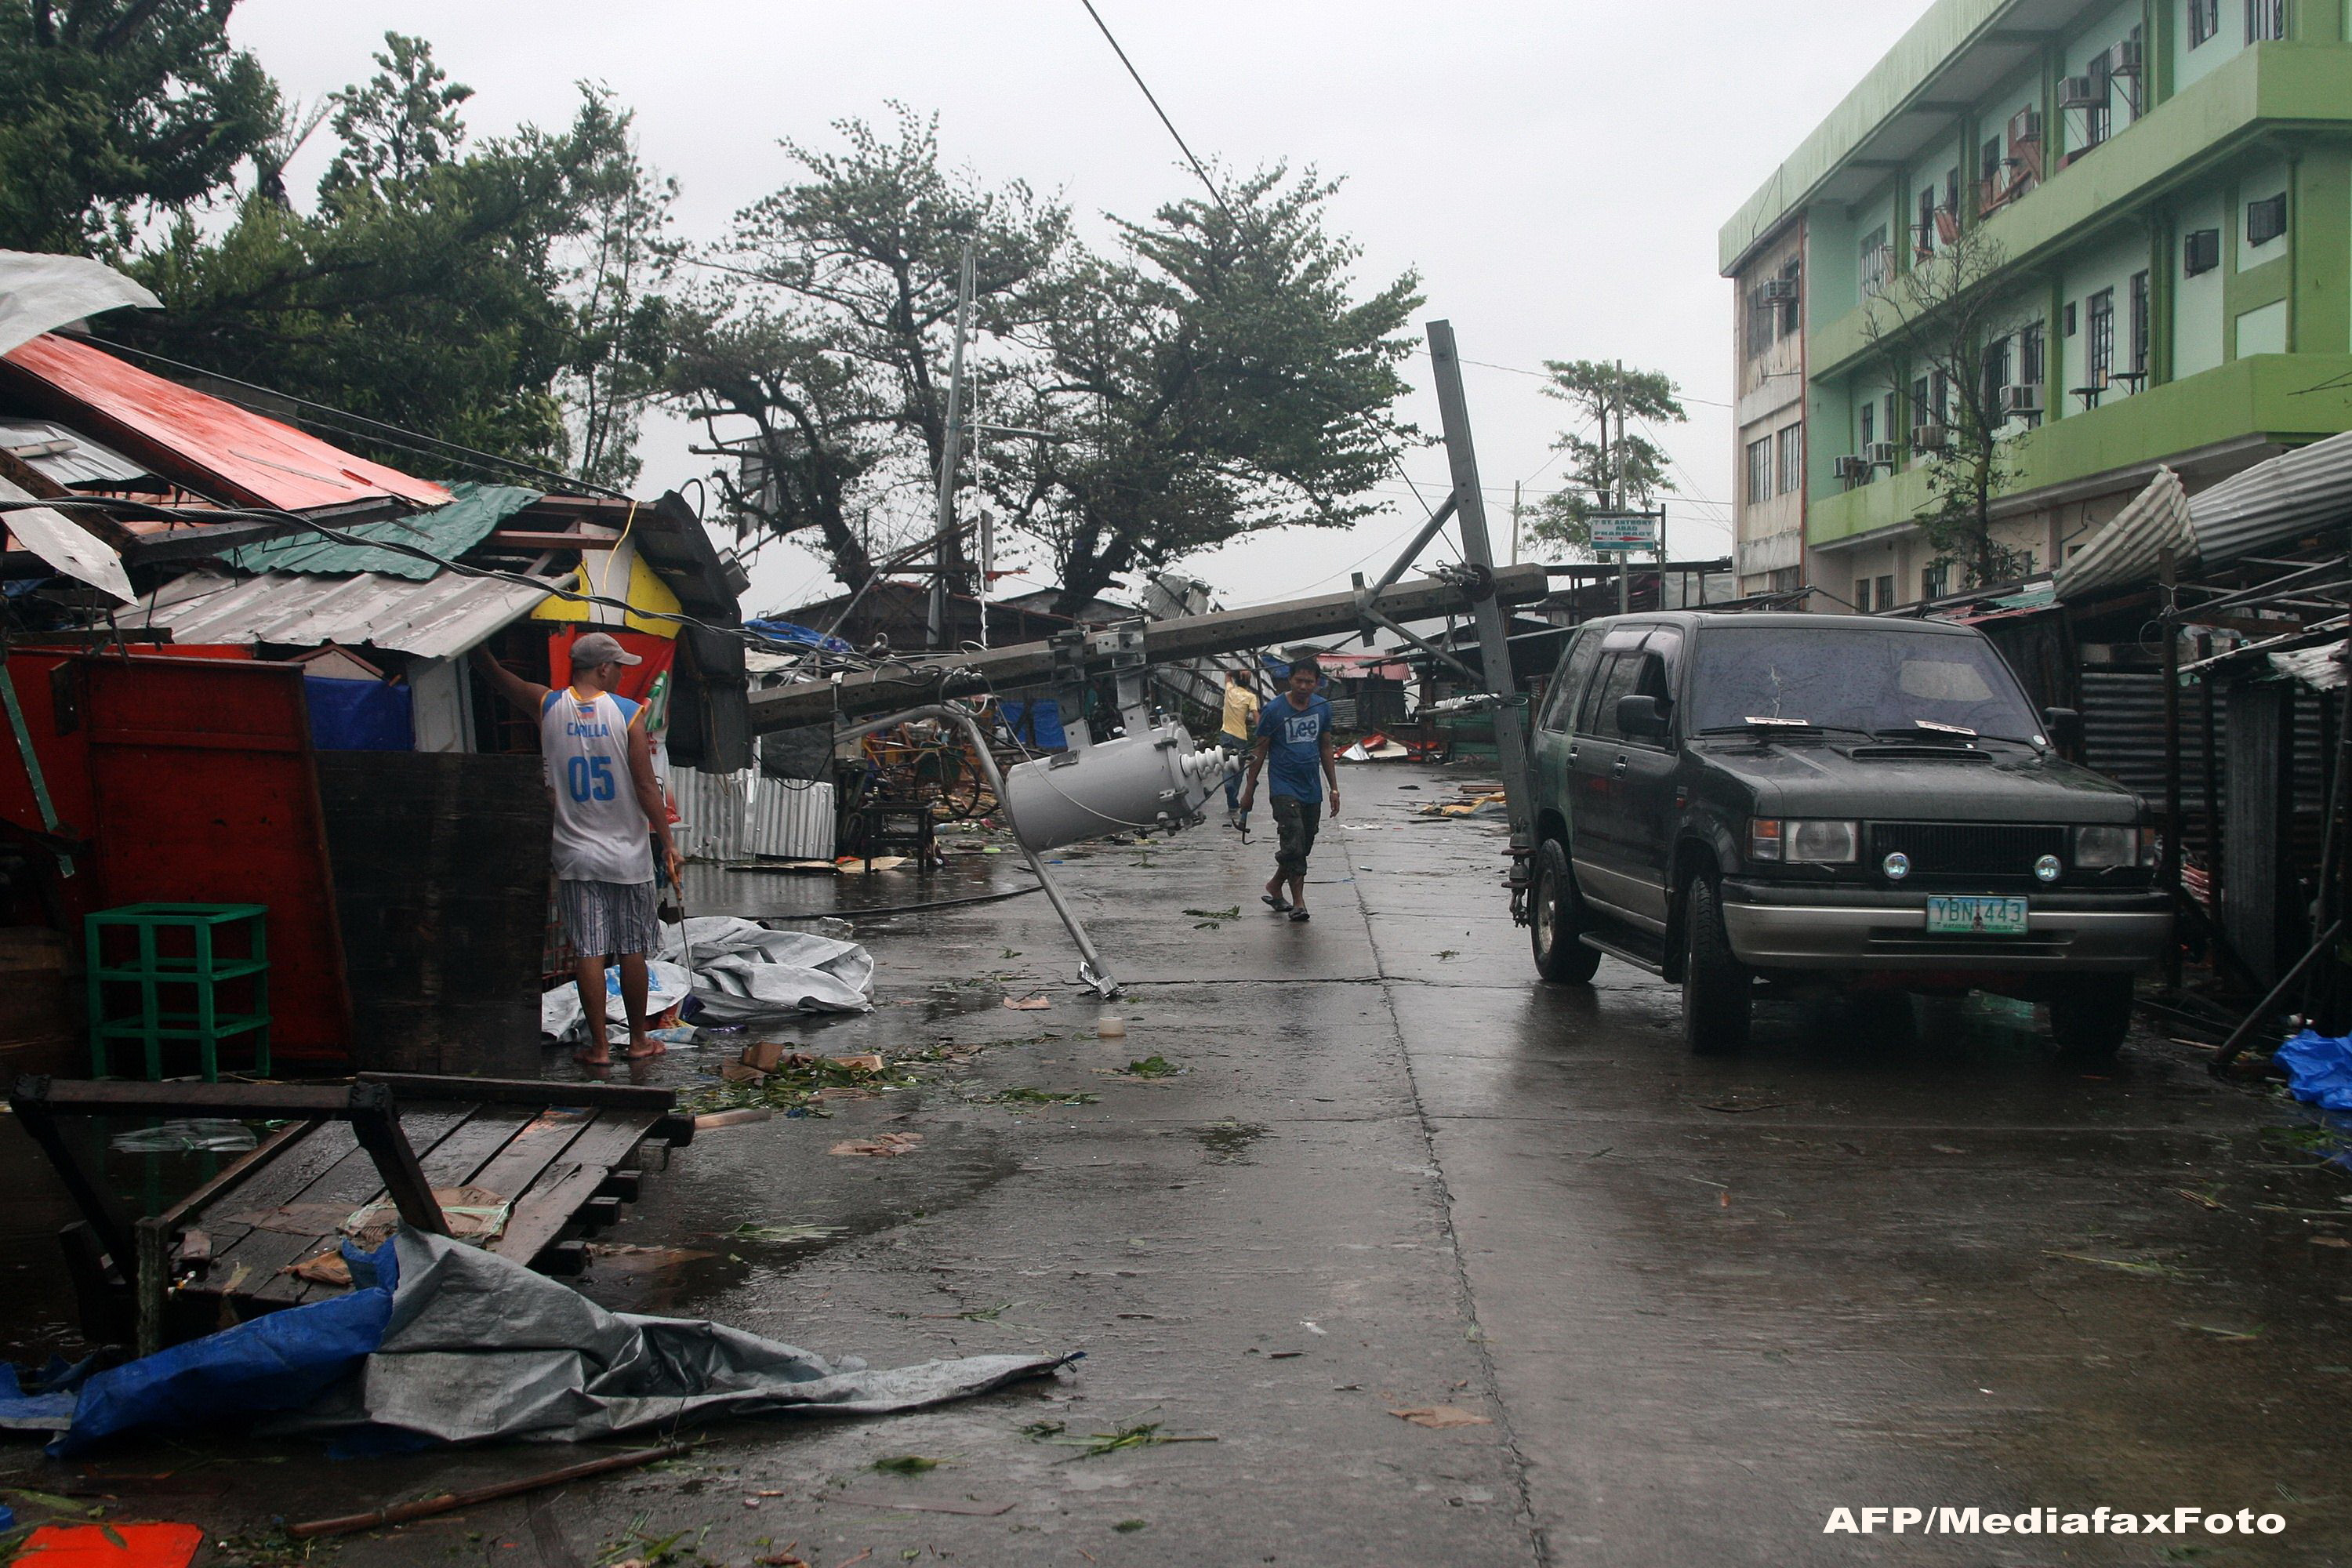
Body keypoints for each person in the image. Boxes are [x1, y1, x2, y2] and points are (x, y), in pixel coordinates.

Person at [474, 630, 683, 1065]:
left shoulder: (547, 705)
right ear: (603, 668)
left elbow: (498, 678)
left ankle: (600, 1048)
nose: (622, 674)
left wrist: (479, 649)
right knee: (632, 950)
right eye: (618, 666)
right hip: (627, 856)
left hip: (574, 855)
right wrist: (668, 843)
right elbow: (646, 787)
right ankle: (638, 1042)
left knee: (589, 951)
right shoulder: (627, 714)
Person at [1238, 655, 1338, 922]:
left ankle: (1274, 885)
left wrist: (1334, 789)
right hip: (1284, 786)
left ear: (1317, 683)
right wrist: (1248, 791)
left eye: (1309, 682)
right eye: (1299, 681)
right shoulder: (1274, 711)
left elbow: (1326, 746)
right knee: (1293, 839)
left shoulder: (1322, 708)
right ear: (1289, 680)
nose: (1304, 686)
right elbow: (1259, 751)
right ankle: (1299, 903)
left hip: (1312, 788)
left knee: (1303, 845)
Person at [1218, 669, 1264, 824]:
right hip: (1240, 737)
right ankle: (1233, 797)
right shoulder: (1250, 697)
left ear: (1236, 680)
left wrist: (1238, 672)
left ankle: (1227, 785)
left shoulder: (1230, 690)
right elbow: (1255, 714)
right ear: (1249, 683)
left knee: (1226, 762)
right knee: (1238, 769)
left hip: (1226, 734)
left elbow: (1227, 674)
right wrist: (1262, 730)